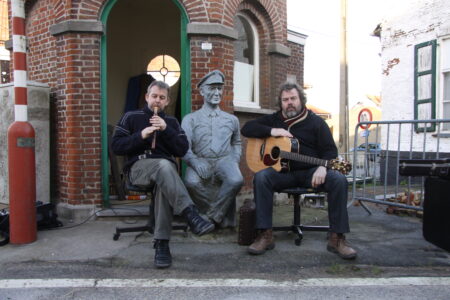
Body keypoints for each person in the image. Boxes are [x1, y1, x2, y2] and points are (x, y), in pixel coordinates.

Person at [240, 81, 357, 259]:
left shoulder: (316, 123)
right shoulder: (274, 119)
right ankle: (265, 235)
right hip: (283, 173)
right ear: (280, 102)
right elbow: (247, 128)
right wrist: (273, 131)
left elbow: (330, 151)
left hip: (311, 173)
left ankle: (337, 237)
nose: (289, 102)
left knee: (338, 180)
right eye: (285, 99)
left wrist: (323, 167)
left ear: (301, 99)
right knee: (262, 177)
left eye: (293, 98)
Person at [111, 80, 215, 269]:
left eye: (162, 98)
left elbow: (183, 149)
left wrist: (166, 130)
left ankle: (162, 244)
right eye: (154, 96)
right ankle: (190, 213)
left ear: (167, 102)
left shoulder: (172, 122)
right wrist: (140, 135)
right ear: (146, 97)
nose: (157, 101)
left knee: (164, 180)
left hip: (165, 174)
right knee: (164, 167)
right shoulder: (131, 116)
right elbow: (116, 146)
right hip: (138, 169)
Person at [181, 70, 243, 228]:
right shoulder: (190, 119)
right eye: (212, 88)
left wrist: (234, 160)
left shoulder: (232, 120)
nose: (217, 93)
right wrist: (195, 162)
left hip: (224, 160)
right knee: (191, 182)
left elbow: (237, 142)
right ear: (202, 91)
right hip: (201, 159)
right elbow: (183, 147)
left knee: (236, 179)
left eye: (220, 88)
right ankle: (217, 216)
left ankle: (211, 217)